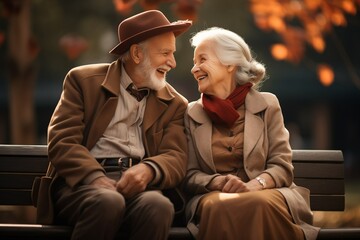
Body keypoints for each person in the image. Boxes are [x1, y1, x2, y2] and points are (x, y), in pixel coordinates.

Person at [41, 10, 192, 240]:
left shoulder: (175, 103)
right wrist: (95, 177)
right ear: (136, 54)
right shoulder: (82, 81)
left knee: (159, 206)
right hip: (82, 184)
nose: (172, 62)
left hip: (140, 185)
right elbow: (62, 141)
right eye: (165, 53)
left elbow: (175, 156)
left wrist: (149, 169)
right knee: (108, 201)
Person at [181, 27, 319, 240]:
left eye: (202, 60)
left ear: (229, 64)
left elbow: (282, 167)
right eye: (194, 62)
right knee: (221, 205)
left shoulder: (268, 104)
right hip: (214, 197)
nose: (194, 69)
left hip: (266, 193)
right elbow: (189, 175)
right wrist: (217, 182)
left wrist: (255, 185)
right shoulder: (191, 113)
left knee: (259, 203)